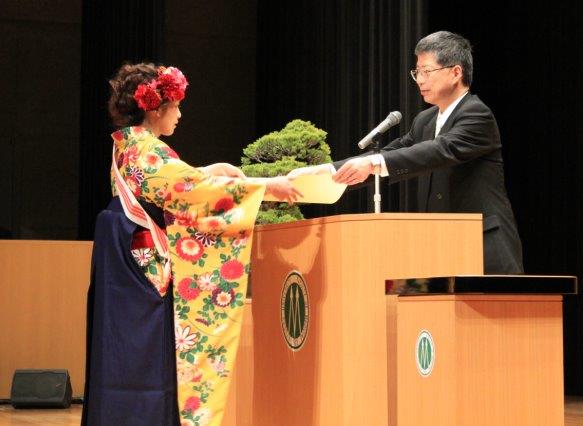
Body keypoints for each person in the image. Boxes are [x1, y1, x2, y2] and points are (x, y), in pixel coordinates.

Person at [82, 63, 300, 426]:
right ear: (155, 109)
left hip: (124, 261)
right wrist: (267, 186)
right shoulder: (148, 151)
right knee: (146, 351)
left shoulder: (131, 144)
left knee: (125, 348)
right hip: (142, 269)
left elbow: (175, 183)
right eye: (176, 106)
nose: (180, 115)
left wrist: (210, 170)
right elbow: (190, 190)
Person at [294, 31, 523, 274]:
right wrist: (324, 173)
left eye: (427, 71)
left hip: (483, 247)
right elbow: (393, 152)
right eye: (417, 72)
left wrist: (373, 163)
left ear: (456, 72)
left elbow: (439, 150)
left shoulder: (476, 114)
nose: (420, 80)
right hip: (442, 247)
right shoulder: (425, 121)